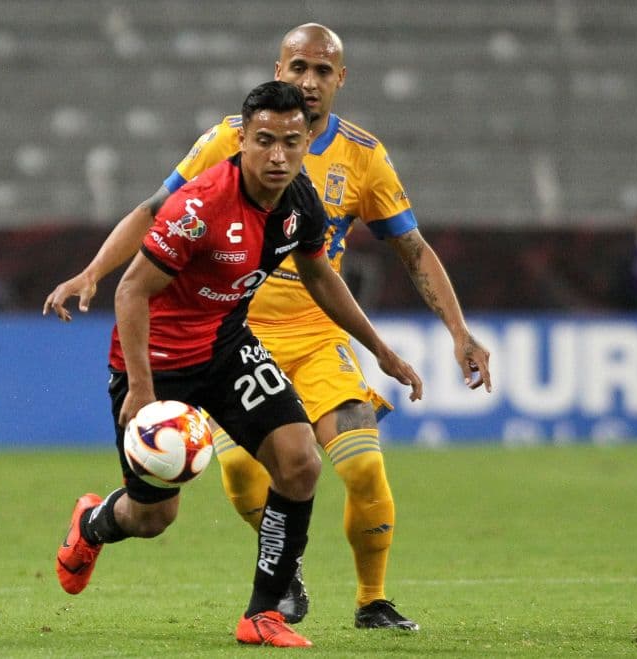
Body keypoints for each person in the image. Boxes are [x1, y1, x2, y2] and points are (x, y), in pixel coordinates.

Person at [45, 23, 492, 631]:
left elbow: (357, 263)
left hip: (261, 340)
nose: (309, 83)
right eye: (299, 69)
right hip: (188, 342)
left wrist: (401, 346)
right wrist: (94, 274)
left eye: (323, 72)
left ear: (336, 85)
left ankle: (296, 606)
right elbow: (147, 237)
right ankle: (97, 523)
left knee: (318, 462)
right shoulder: (217, 169)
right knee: (159, 514)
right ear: (276, 76)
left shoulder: (337, 171)